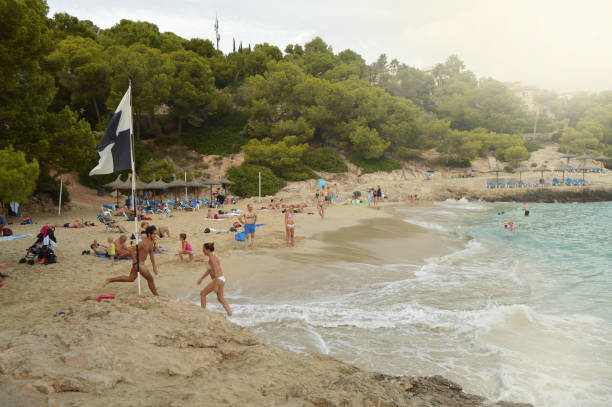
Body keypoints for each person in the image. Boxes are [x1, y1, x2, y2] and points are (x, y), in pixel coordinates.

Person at [103, 225, 159, 296]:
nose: (155, 235)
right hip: (139, 263)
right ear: (149, 234)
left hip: (140, 263)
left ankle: (110, 280)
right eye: (154, 234)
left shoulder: (151, 242)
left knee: (130, 279)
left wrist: (154, 267)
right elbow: (131, 250)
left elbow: (151, 255)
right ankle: (156, 295)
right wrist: (135, 260)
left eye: (156, 233)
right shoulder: (143, 242)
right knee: (150, 278)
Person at [197, 242, 232, 316]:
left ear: (208, 250)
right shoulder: (212, 257)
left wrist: (216, 285)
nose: (202, 251)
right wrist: (201, 278)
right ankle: (230, 314)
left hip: (218, 279)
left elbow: (215, 270)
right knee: (220, 299)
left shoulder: (212, 258)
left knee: (203, 294)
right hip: (221, 279)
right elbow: (209, 270)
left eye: (203, 249)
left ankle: (203, 312)